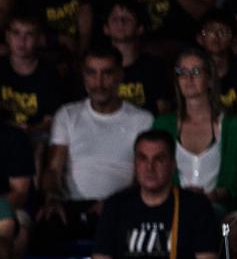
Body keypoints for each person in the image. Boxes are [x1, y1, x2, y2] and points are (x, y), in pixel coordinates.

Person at [90, 132, 224, 259]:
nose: (149, 167)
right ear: (135, 164)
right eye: (143, 158)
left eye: (158, 159)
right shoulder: (116, 205)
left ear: (173, 164)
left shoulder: (194, 205)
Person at [42, 47, 154, 227]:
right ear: (83, 76)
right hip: (74, 207)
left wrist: (115, 203)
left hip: (124, 207)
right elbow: (53, 170)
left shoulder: (142, 120)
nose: (98, 83)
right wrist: (53, 198)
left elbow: (144, 177)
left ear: (120, 75)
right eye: (91, 73)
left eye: (107, 74)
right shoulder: (67, 115)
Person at [152, 46, 237, 213]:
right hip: (172, 208)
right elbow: (156, 175)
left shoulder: (231, 125)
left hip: (216, 209)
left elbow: (234, 183)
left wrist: (211, 196)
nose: (188, 78)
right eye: (182, 72)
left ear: (210, 79)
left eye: (196, 72)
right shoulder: (163, 124)